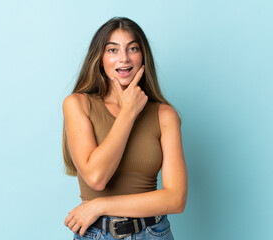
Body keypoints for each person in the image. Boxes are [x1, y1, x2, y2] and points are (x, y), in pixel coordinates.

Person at [62, 16, 187, 240]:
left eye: (132, 48)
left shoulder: (164, 115)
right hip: (97, 234)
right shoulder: (77, 104)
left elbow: (175, 200)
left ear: (142, 57)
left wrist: (99, 206)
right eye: (113, 50)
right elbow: (96, 177)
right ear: (99, 58)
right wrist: (129, 113)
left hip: (153, 232)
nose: (124, 58)